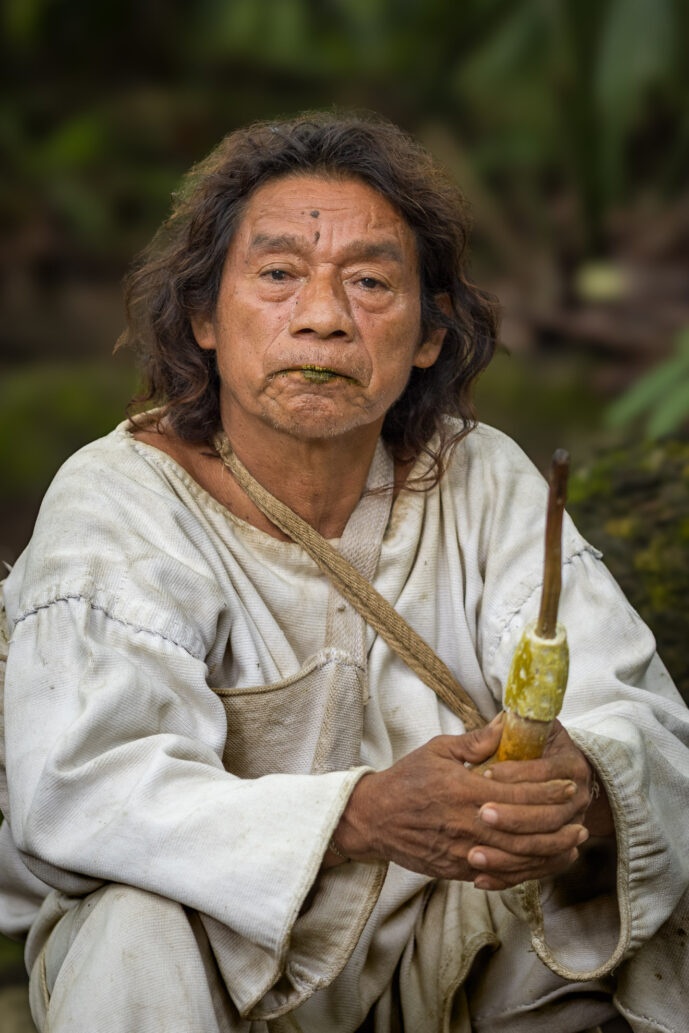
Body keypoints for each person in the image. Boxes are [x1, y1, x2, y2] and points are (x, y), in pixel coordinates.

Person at [0, 112, 687, 1033]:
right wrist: (360, 813)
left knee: (623, 890)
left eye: (368, 282)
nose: (323, 317)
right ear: (204, 316)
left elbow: (639, 721)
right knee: (134, 922)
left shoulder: (482, 478)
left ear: (428, 336)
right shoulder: (121, 498)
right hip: (230, 967)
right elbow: (81, 791)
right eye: (279, 274)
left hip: (445, 953)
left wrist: (581, 788)